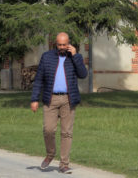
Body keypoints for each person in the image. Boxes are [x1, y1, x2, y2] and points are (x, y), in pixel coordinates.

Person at [30, 32, 88, 174]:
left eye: (64, 44)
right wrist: (34, 99)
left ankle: (64, 164)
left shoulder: (74, 57)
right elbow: (39, 79)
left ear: (69, 43)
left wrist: (76, 56)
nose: (62, 47)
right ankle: (50, 154)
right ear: (55, 44)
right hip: (51, 99)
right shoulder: (47, 57)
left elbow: (83, 74)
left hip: (69, 99)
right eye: (59, 44)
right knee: (48, 130)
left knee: (66, 132)